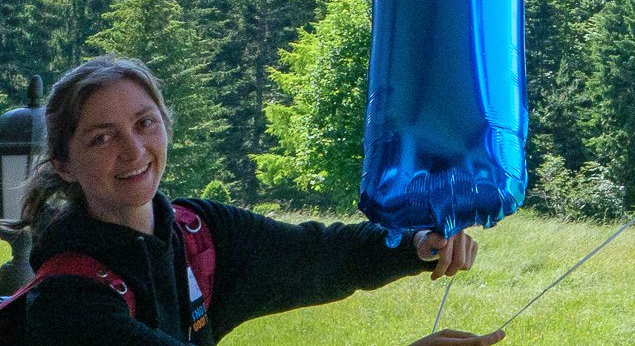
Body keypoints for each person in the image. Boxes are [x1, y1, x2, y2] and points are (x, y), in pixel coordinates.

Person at [2, 55, 501, 344]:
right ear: (63, 164)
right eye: (101, 138)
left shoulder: (197, 233)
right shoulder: (68, 302)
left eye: (144, 123)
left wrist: (417, 244)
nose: (134, 150)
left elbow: (319, 256)